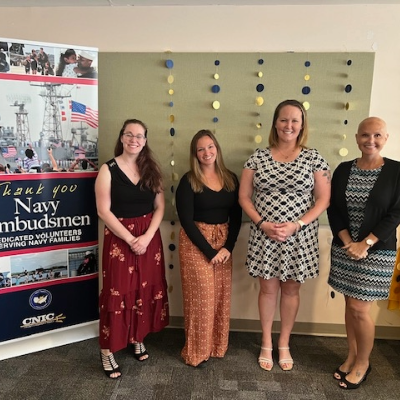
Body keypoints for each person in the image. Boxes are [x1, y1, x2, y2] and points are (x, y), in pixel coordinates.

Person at [239, 99, 331, 372]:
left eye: (294, 120)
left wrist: (297, 225)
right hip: (265, 234)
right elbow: (244, 197)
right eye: (283, 119)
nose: (288, 125)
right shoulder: (257, 157)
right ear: (275, 123)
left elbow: (323, 200)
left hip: (299, 236)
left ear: (302, 125)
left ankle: (284, 343)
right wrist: (263, 223)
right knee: (267, 289)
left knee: (291, 289)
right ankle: (266, 341)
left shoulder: (315, 158)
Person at [327, 117, 400, 390]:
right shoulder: (344, 169)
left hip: (377, 251)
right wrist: (348, 241)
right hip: (345, 248)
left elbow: (396, 213)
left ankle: (363, 363)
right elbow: (333, 209)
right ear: (356, 138)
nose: (371, 140)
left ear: (386, 138)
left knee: (359, 308)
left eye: (377, 135)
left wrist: (365, 243)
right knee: (349, 306)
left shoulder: (396, 171)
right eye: (365, 135)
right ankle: (351, 356)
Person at [95, 118, 169, 379]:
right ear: (122, 137)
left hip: (149, 240)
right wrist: (130, 238)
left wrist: (147, 237)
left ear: (145, 140)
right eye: (129, 135)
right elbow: (103, 210)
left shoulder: (151, 169)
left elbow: (160, 207)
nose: (134, 140)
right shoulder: (108, 169)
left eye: (139, 136)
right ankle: (107, 350)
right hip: (119, 240)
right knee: (118, 291)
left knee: (143, 289)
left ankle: (137, 336)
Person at [176, 129, 242, 368]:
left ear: (217, 149)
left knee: (220, 297)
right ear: (195, 153)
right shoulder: (188, 180)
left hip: (223, 244)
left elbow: (236, 216)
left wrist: (228, 248)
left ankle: (216, 346)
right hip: (196, 243)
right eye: (201, 149)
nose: (207, 152)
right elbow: (186, 220)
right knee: (201, 297)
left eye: (210, 147)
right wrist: (209, 252)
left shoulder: (231, 178)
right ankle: (196, 351)